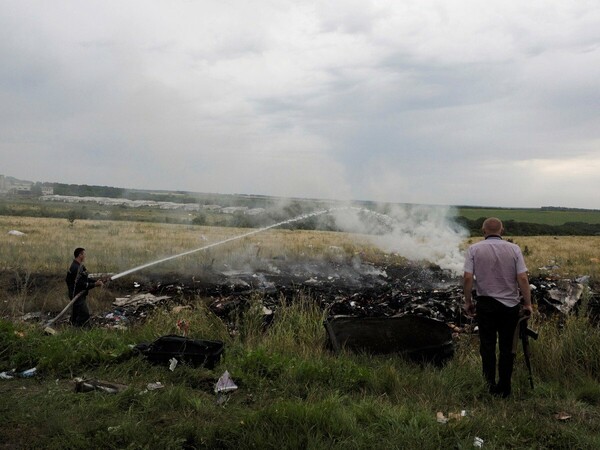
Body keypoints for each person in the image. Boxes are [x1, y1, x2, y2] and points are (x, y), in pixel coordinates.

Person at [463, 217, 532, 397]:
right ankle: (504, 388)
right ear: (502, 231)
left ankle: (489, 385)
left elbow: (468, 278)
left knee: (487, 346)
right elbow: (523, 278)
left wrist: (468, 301)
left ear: (483, 231)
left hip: (486, 304)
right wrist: (528, 303)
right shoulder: (514, 249)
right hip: (509, 305)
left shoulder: (473, 249)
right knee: (507, 347)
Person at [65, 248, 103, 327]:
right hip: (76, 295)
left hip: (79, 294)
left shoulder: (79, 266)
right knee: (84, 314)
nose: (85, 256)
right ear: (80, 255)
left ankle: (72, 329)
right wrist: (95, 284)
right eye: (84, 254)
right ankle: (79, 331)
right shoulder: (75, 268)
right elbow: (81, 284)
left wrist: (95, 281)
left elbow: (85, 279)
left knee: (76, 314)